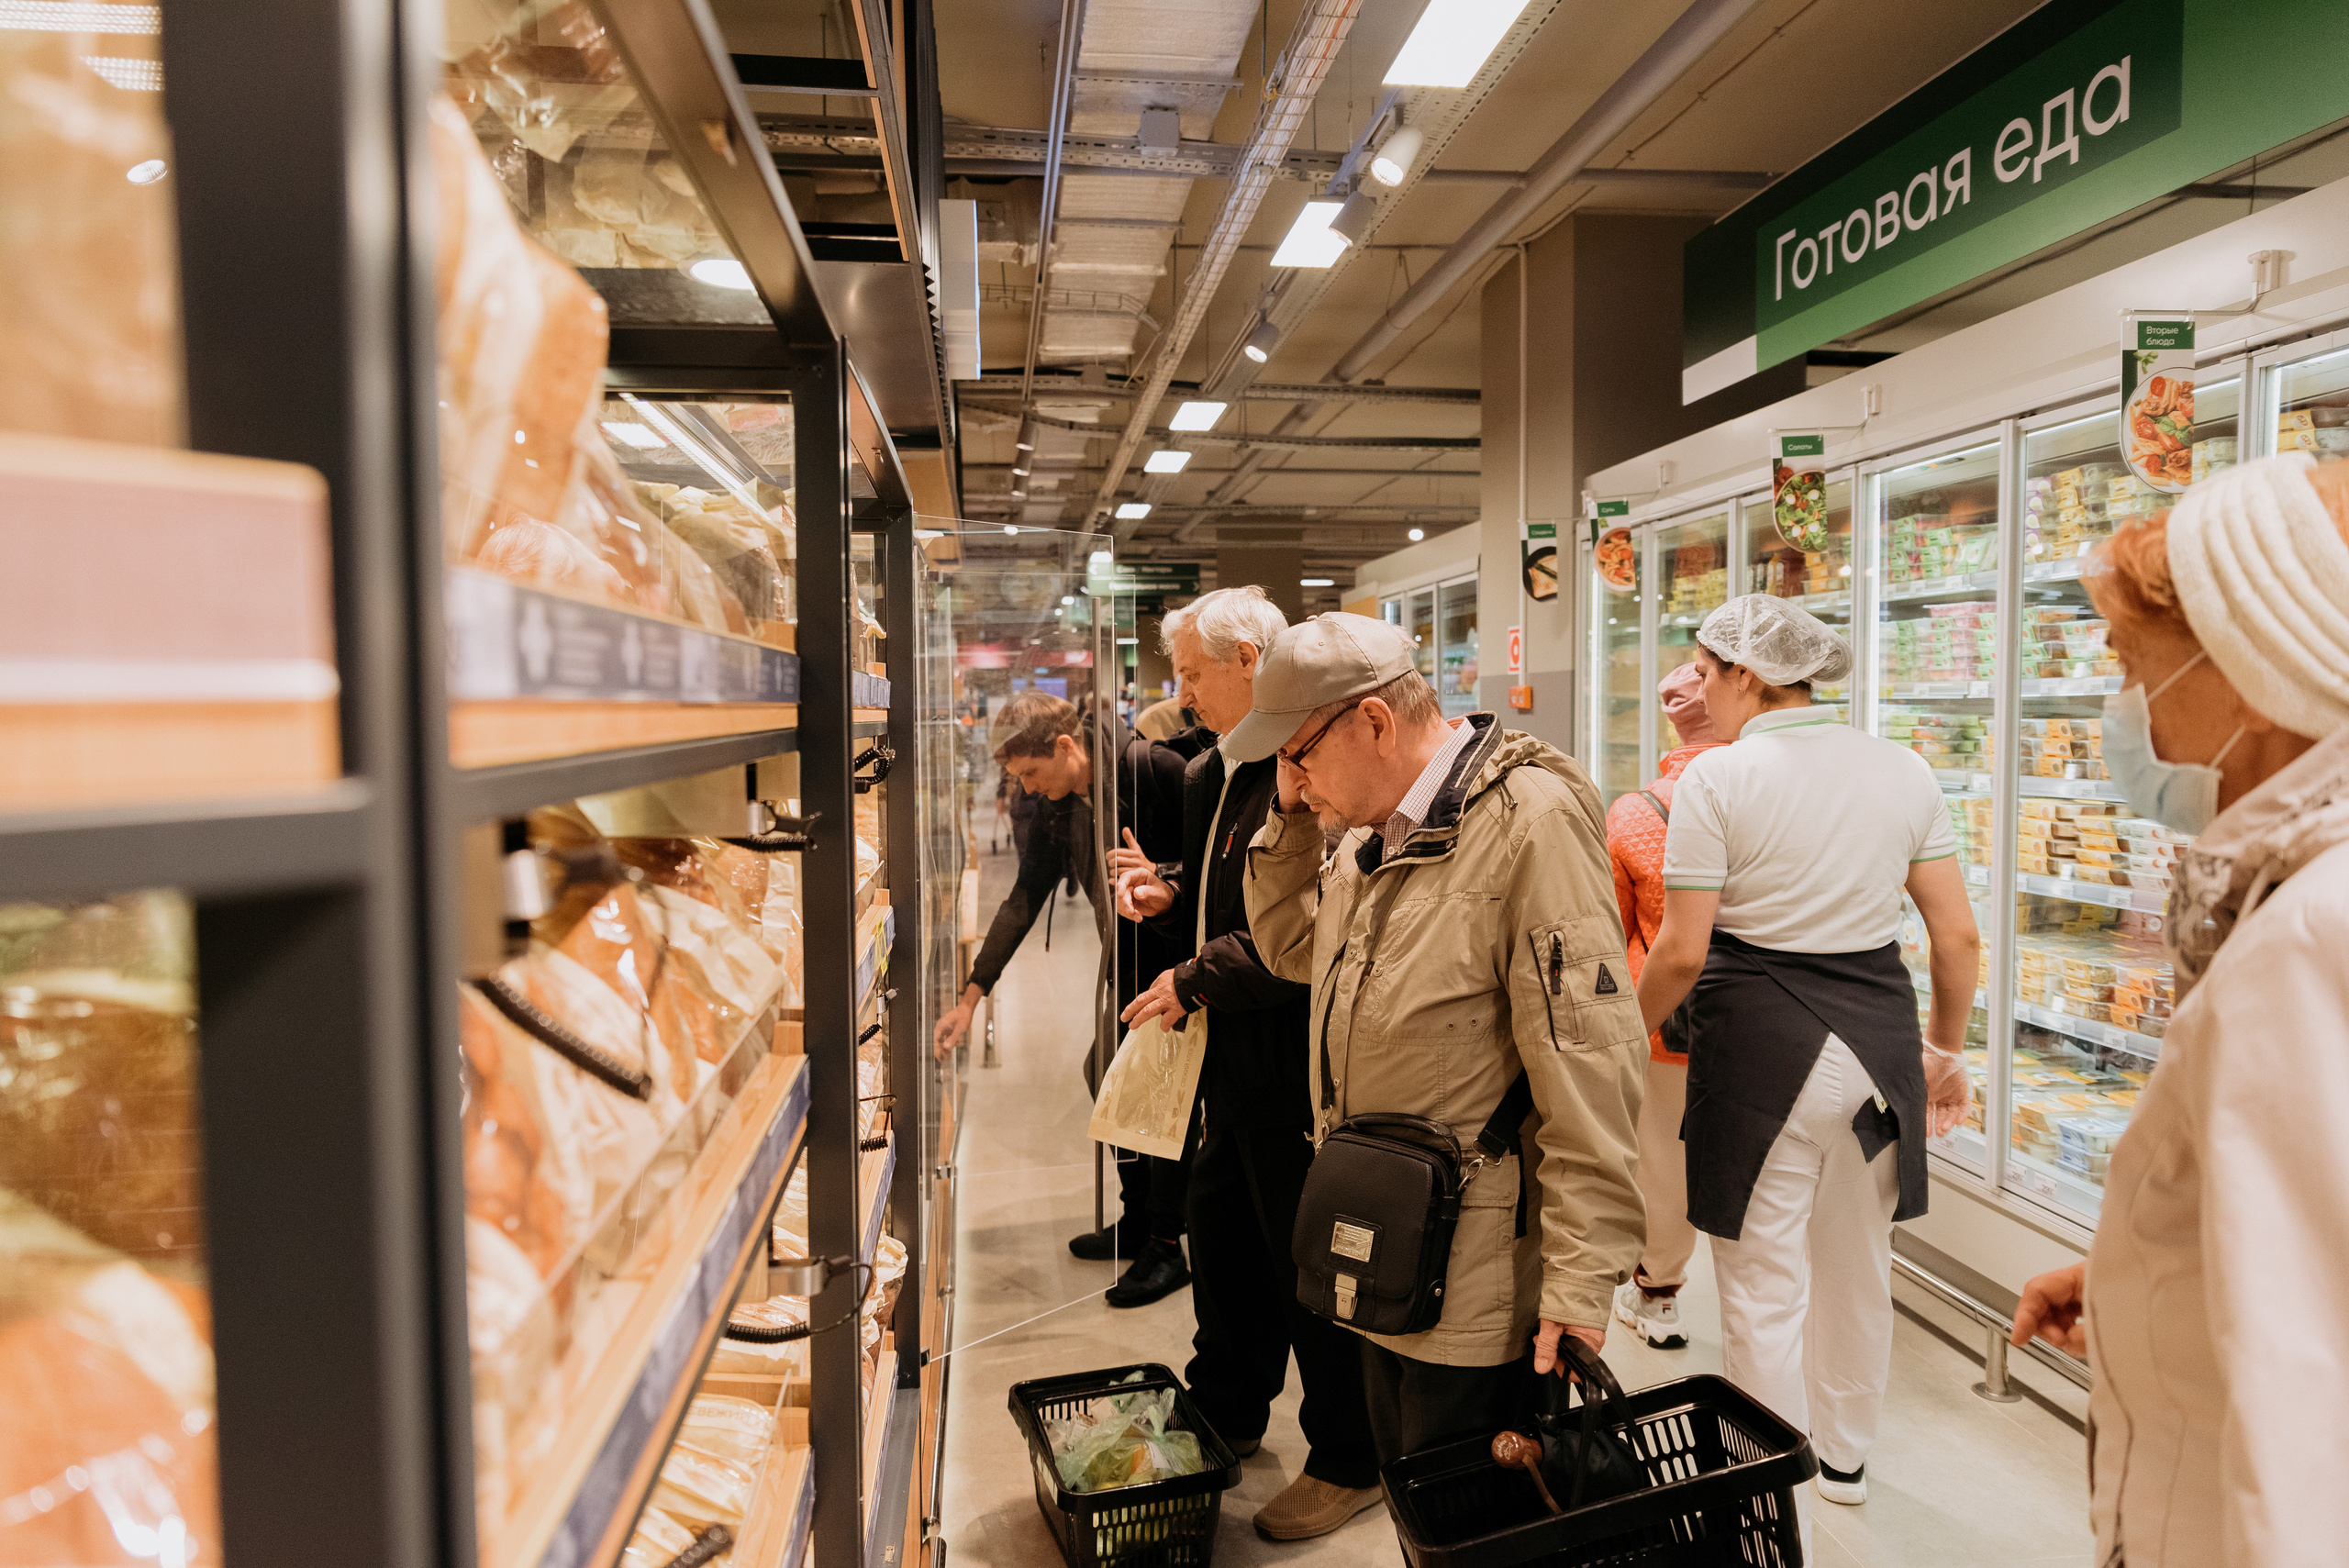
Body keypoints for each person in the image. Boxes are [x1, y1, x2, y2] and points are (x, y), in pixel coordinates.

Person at [2007, 453, 2349, 1567]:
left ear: (2247, 666)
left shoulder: (2303, 936)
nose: (2120, 701)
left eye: (2128, 660)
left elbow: (2309, 1397)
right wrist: (2147, 1272)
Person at [1229, 613, 1648, 1475]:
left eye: (1301, 759)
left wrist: (1579, 1281)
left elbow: (1590, 1068)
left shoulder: (1528, 822)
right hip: (1390, 1246)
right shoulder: (1370, 835)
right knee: (1418, 1496)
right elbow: (1293, 950)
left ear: (1375, 722)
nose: (1298, 787)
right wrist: (1288, 823)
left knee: (1474, 1512)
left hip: (1480, 1285)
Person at [1632, 595, 1976, 1547]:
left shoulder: (1718, 779)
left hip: (1757, 1052)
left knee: (1759, 1279)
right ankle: (1846, 1460)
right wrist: (1944, 1054)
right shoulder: (1901, 766)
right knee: (1858, 1266)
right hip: (1878, 1049)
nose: (1698, 692)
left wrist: (1623, 1039)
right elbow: (1955, 935)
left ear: (1745, 673)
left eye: (1704, 673)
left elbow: (1681, 953)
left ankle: (1758, 1485)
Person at [1110, 588, 1382, 1541]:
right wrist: (1166, 889)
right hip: (1227, 1057)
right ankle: (1225, 1407)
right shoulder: (1208, 773)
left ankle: (1350, 1453)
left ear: (1251, 656)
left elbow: (1309, 931)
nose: (1180, 694)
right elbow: (1231, 889)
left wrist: (1192, 971)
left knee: (1307, 1261)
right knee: (1222, 1236)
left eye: (1191, 672)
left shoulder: (1313, 768)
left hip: (1302, 1057)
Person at [931, 693, 1201, 1307]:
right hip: (1127, 967)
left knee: (1158, 1101)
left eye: (1030, 773)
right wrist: (973, 995)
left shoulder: (1150, 771)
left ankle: (1166, 1243)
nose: (1027, 788)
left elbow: (1212, 863)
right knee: (1107, 1076)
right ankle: (1138, 1219)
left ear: (1064, 747)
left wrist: (1167, 879)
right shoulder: (1061, 805)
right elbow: (1024, 895)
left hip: (1175, 968)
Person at [1604, 662, 1727, 1349]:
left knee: (1664, 1164)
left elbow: (1617, 928)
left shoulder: (1638, 811)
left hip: (1666, 1025)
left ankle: (1659, 1294)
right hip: (1768, 1020)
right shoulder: (1773, 801)